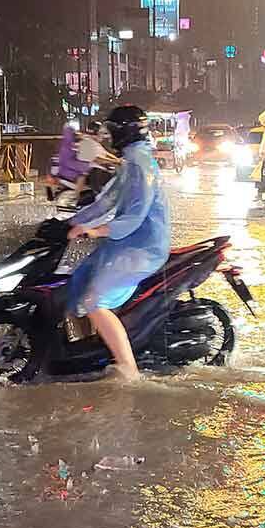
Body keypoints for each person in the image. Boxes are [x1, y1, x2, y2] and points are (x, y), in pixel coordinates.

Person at [66, 105, 170, 383]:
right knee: (76, 282)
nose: (108, 137)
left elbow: (135, 215)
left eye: (111, 131)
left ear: (123, 132)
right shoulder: (130, 160)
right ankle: (90, 351)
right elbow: (107, 201)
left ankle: (129, 371)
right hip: (124, 242)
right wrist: (72, 222)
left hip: (143, 246)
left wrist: (97, 231)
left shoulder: (139, 164)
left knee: (93, 300)